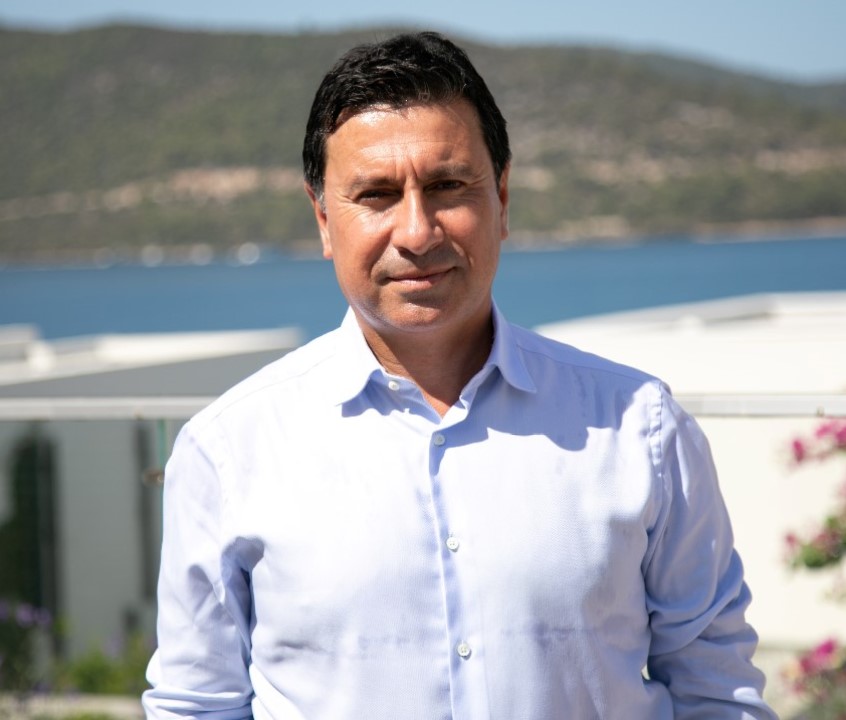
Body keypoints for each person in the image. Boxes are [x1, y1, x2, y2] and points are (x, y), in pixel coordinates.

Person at [143, 31, 776, 719]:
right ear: (324, 218)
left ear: (501, 196)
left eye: (447, 186)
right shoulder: (228, 451)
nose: (417, 232)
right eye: (376, 195)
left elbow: (718, 693)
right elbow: (196, 706)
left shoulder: (638, 427)